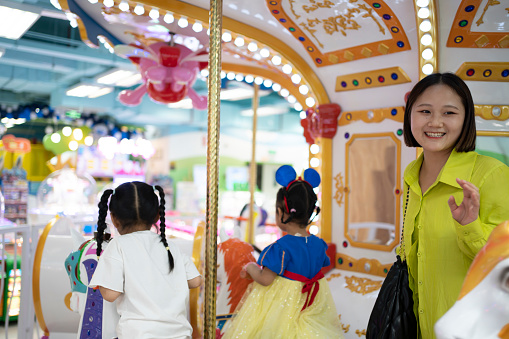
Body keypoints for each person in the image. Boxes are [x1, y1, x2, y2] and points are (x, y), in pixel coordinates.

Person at [401, 72, 509, 339]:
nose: (435, 122)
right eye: (424, 111)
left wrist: (470, 227)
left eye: (449, 113)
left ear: (465, 119)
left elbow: (504, 268)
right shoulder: (411, 174)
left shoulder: (490, 174)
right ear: (410, 116)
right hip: (418, 323)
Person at [223, 166, 344, 338]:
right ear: (311, 213)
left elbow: (265, 279)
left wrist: (250, 267)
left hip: (283, 312)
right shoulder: (319, 244)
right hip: (312, 308)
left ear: (280, 213)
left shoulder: (281, 248)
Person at [89, 181, 203, 339]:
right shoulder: (169, 246)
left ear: (114, 219)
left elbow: (110, 294)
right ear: (157, 215)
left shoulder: (118, 246)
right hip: (179, 335)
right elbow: (196, 281)